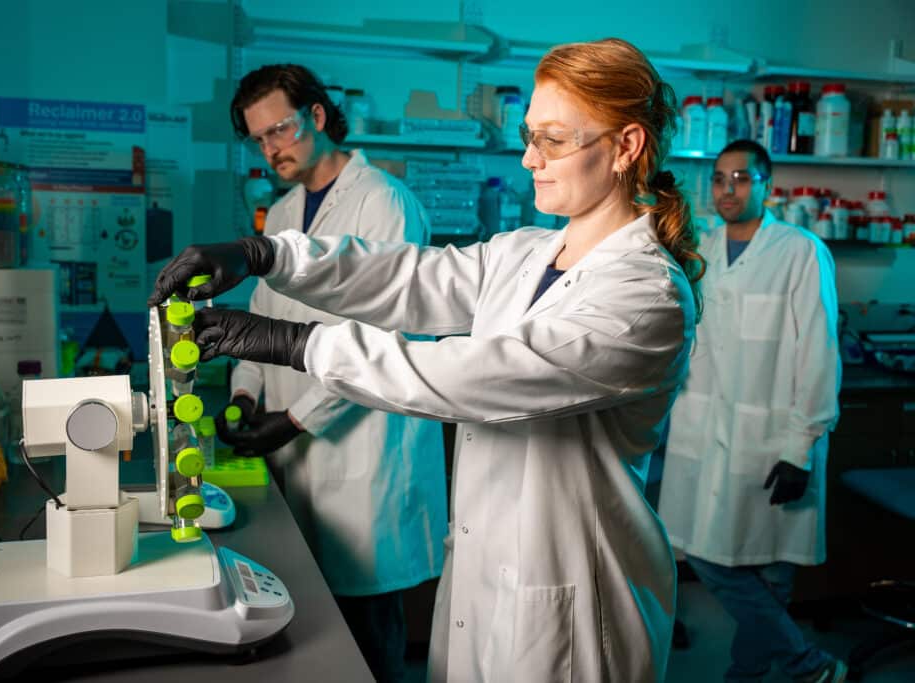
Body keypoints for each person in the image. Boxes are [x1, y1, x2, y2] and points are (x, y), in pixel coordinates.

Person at [150, 38, 704, 682]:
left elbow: (475, 374)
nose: (529, 158)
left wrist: (293, 344)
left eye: (552, 140)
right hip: (484, 576)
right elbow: (408, 276)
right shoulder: (526, 252)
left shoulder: (645, 295)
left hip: (574, 596)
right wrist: (267, 256)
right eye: (530, 136)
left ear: (626, 146)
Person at [207, 64, 449, 683]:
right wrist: (241, 395)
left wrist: (293, 419)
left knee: (368, 635)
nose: (271, 148)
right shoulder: (283, 211)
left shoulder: (384, 202)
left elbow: (383, 336)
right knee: (312, 627)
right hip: (297, 453)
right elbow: (261, 316)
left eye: (280, 129)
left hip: (364, 455)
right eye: (258, 138)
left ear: (317, 116)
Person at [658, 139, 845, 683]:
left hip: (777, 434)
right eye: (719, 179)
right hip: (703, 429)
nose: (728, 189)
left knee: (771, 574)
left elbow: (817, 349)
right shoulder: (698, 250)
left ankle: (750, 675)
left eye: (741, 178)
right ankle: (806, 665)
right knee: (709, 555)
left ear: (767, 184)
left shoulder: (800, 250)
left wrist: (801, 445)